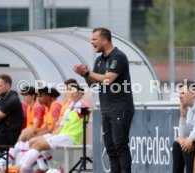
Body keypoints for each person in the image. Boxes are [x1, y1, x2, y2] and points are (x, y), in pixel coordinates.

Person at [73, 27, 134, 173]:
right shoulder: (99, 60)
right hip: (106, 109)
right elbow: (91, 83)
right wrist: (85, 74)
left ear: (104, 41)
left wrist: (88, 72)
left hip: (120, 108)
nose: (91, 42)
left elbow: (108, 80)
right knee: (111, 148)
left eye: (94, 39)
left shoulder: (118, 57)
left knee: (120, 146)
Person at [18, 81, 88, 173]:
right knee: (33, 142)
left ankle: (24, 169)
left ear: (79, 93)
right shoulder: (69, 106)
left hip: (71, 138)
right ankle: (41, 168)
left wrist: (47, 133)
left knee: (37, 145)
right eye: (68, 90)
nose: (68, 92)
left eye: (71, 90)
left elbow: (85, 112)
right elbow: (60, 124)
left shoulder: (82, 105)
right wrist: (53, 134)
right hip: (63, 135)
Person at [172, 81, 195, 173]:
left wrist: (185, 140)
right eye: (180, 94)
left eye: (183, 93)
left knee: (187, 145)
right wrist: (183, 114)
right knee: (177, 145)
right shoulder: (191, 108)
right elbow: (183, 134)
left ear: (193, 93)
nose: (180, 96)